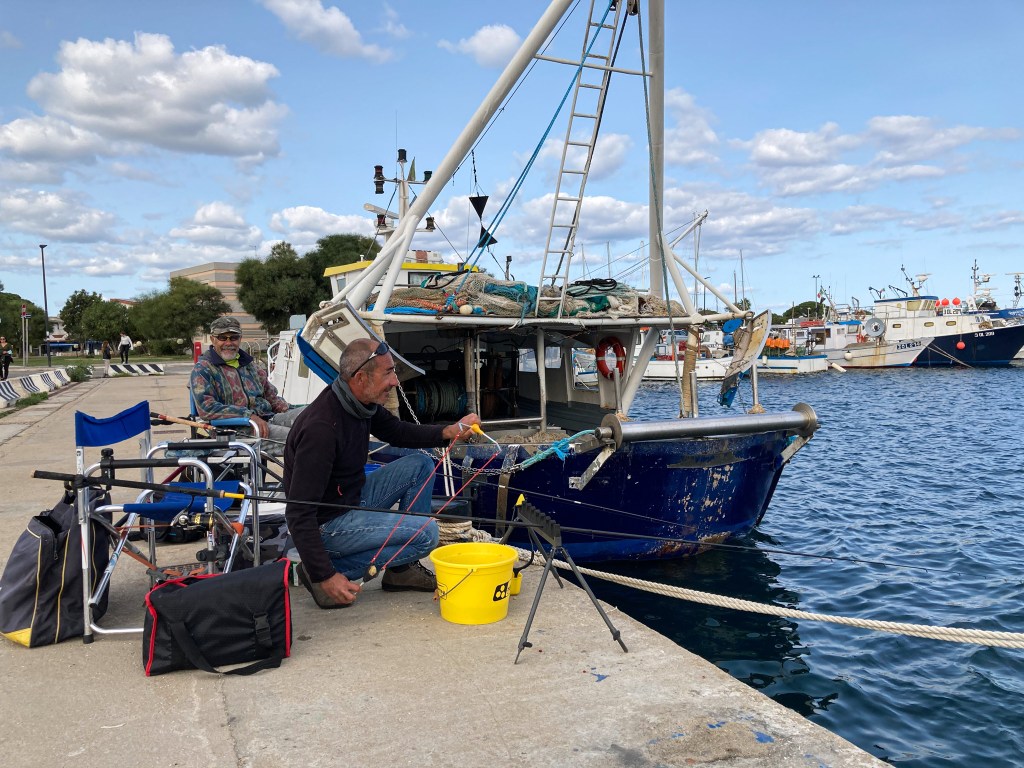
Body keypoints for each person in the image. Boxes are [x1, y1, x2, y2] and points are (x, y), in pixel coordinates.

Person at [284, 337, 480, 609]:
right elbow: (298, 512)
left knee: (420, 465)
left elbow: (396, 431)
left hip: (350, 500)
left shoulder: (358, 403)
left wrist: (449, 431)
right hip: (328, 526)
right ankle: (326, 573)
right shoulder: (321, 429)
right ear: (361, 377)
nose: (395, 382)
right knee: (426, 533)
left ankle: (401, 571)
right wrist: (324, 574)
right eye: (388, 373)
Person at [190, 315, 302, 453]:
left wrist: (298, 409)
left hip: (267, 419)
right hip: (236, 430)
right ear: (213, 339)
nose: (228, 342)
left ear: (240, 339)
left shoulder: (251, 366)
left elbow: (272, 398)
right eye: (222, 338)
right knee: (303, 438)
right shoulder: (203, 369)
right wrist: (248, 415)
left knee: (312, 418)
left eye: (233, 337)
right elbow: (207, 409)